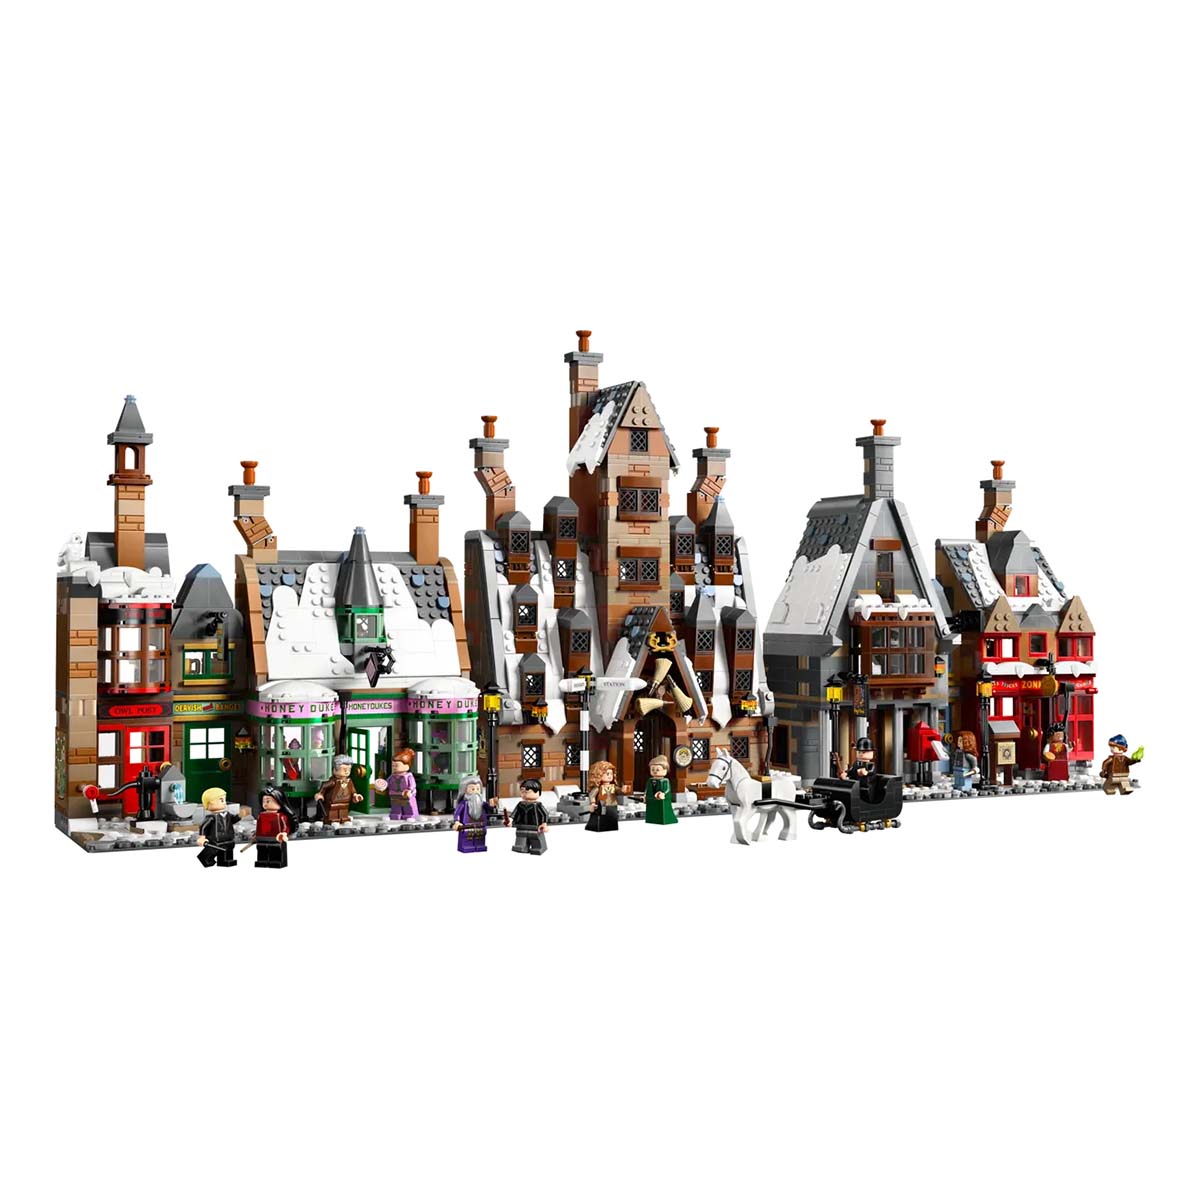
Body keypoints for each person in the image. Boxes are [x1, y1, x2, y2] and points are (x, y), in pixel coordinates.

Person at [197, 787, 251, 868]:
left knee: (228, 851)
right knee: (212, 851)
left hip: (228, 839)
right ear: (209, 803)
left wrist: (240, 815)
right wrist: (202, 837)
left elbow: (233, 820)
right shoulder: (211, 817)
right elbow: (204, 826)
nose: (224, 803)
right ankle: (206, 859)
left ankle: (226, 861)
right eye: (221, 800)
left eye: (224, 800)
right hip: (215, 840)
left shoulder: (227, 814)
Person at [451, 774, 495, 853]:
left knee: (481, 834)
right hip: (466, 826)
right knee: (467, 835)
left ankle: (480, 846)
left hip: (480, 825)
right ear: (464, 790)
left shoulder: (482, 803)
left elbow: (489, 809)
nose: (476, 792)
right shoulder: (464, 804)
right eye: (472, 789)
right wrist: (457, 821)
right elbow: (457, 813)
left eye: (478, 789)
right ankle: (466, 846)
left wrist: (492, 805)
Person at [255, 786, 294, 869]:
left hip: (276, 838)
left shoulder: (281, 816)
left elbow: (285, 826)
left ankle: (276, 861)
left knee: (275, 849)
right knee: (261, 849)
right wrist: (256, 835)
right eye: (263, 801)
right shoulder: (261, 815)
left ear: (279, 801)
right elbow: (259, 827)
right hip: (262, 838)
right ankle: (262, 861)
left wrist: (284, 833)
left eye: (268, 801)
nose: (265, 804)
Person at [315, 754, 361, 825]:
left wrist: (355, 795)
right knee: (333, 812)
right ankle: (332, 819)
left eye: (349, 770)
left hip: (345, 801)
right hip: (333, 802)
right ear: (335, 769)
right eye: (344, 770)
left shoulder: (349, 781)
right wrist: (320, 794)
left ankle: (344, 818)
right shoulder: (333, 781)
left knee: (344, 810)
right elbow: (324, 786)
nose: (347, 772)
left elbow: (352, 790)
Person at [374, 748, 418, 820]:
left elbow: (412, 785)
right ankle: (396, 814)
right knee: (396, 806)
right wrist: (382, 785)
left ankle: (410, 815)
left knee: (408, 806)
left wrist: (409, 790)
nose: (394, 768)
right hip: (395, 794)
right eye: (393, 766)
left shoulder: (408, 776)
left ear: (407, 766)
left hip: (405, 794)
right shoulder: (393, 776)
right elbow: (387, 783)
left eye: (396, 766)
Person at [511, 778, 549, 855]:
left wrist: (544, 824)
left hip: (535, 827)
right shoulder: (520, 804)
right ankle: (521, 847)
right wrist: (510, 820)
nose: (524, 794)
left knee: (535, 837)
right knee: (520, 836)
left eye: (527, 792)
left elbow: (544, 814)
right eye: (522, 792)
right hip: (521, 826)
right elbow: (514, 813)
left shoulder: (538, 805)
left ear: (537, 792)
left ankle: (537, 848)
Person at [585, 760, 621, 832]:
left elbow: (618, 791)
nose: (609, 776)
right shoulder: (598, 788)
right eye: (607, 774)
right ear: (599, 775)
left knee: (612, 818)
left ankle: (611, 827)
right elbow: (592, 795)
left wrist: (623, 790)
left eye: (611, 774)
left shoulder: (613, 787)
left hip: (612, 806)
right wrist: (592, 803)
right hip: (601, 806)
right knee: (600, 819)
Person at [643, 755, 677, 825]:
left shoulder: (665, 780)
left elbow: (667, 789)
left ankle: (664, 819)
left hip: (662, 798)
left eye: (657, 770)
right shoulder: (650, 780)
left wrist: (663, 793)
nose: (655, 771)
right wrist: (645, 796)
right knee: (651, 810)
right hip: (651, 798)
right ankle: (651, 819)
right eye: (652, 769)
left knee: (663, 810)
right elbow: (647, 789)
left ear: (665, 770)